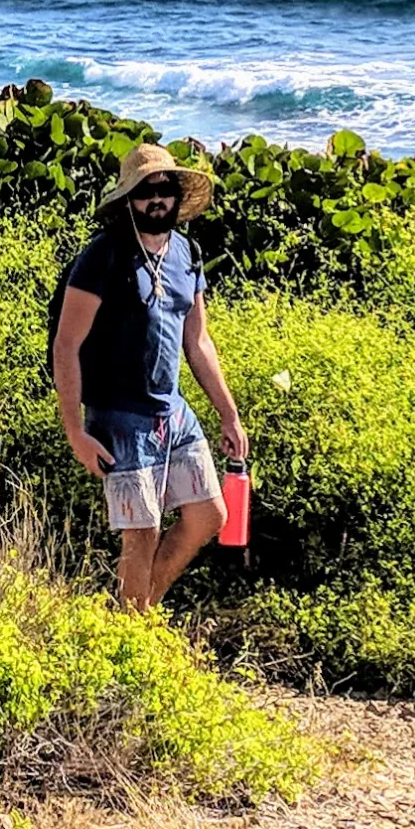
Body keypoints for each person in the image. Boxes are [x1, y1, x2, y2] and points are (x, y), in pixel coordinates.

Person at [52, 143, 248, 611]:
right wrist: (75, 432)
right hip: (120, 416)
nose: (156, 199)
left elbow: (198, 342)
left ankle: (134, 615)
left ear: (177, 196)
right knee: (142, 533)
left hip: (172, 411)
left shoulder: (187, 253)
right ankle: (133, 629)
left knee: (209, 515)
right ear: (129, 200)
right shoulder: (104, 256)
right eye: (145, 191)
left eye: (164, 189)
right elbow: (66, 345)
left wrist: (229, 415)